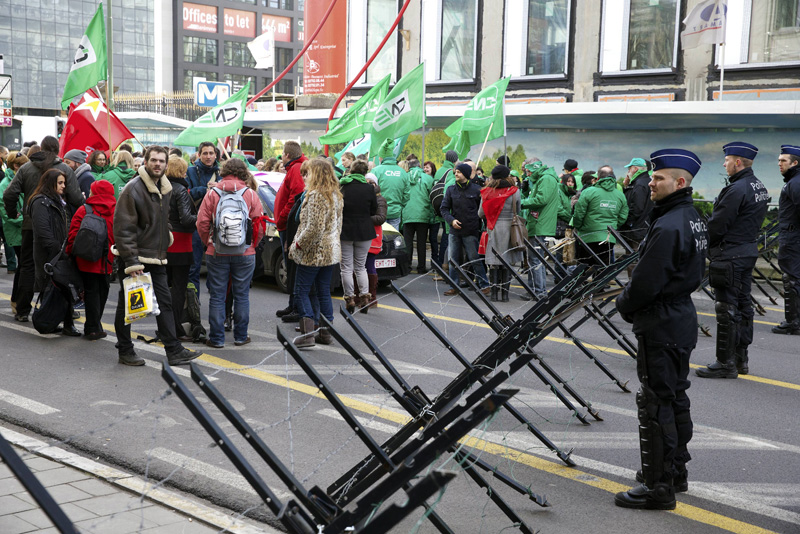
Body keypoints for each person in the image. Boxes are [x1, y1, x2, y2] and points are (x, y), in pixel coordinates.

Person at [614, 149, 707, 510]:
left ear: (680, 182)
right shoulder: (688, 215)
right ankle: (676, 472)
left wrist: (624, 305)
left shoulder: (670, 224)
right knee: (674, 397)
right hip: (678, 316)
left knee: (655, 404)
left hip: (663, 318)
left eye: (659, 178)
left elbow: (645, 282)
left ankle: (658, 486)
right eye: (651, 177)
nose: (651, 183)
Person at [112, 145, 198, 367]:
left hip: (157, 257)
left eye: (161, 161)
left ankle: (173, 349)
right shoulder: (133, 189)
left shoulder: (165, 188)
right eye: (154, 160)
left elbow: (161, 219)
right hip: (136, 258)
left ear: (166, 164)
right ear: (146, 162)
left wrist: (166, 233)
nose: (157, 164)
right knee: (129, 308)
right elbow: (123, 229)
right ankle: (125, 349)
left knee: (165, 303)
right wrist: (132, 262)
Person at [696, 143, 768, 378]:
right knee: (744, 306)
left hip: (730, 255)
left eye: (726, 160)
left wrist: (704, 243)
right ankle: (740, 359)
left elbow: (718, 225)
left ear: (737, 162)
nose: (723, 164)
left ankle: (725, 363)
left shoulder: (736, 189)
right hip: (746, 251)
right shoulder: (758, 185)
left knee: (726, 308)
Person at [3, 136, 84, 322]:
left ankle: (23, 310)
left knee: (27, 267)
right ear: (57, 150)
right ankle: (64, 309)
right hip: (58, 227)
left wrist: (13, 212)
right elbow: (77, 200)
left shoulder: (26, 168)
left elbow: (10, 194)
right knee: (59, 266)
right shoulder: (64, 169)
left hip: (30, 225)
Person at [197, 158, 264, 348]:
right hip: (245, 252)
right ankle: (241, 336)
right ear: (243, 172)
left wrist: (208, 243)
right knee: (242, 295)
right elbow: (259, 225)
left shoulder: (213, 193)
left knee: (217, 296)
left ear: (224, 171)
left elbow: (202, 223)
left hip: (216, 251)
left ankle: (217, 338)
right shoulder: (250, 194)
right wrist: (252, 245)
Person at [289, 159, 344, 348]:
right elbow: (338, 226)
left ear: (317, 174)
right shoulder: (335, 195)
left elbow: (313, 228)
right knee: (322, 292)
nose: (305, 176)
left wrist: (297, 246)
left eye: (309, 172)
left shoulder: (316, 196)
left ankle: (308, 334)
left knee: (301, 290)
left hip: (314, 252)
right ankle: (325, 332)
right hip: (330, 251)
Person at [29, 169, 80, 336]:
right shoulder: (40, 202)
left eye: (64, 183)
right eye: (60, 183)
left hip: (60, 252)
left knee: (63, 287)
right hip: (49, 254)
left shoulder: (58, 200)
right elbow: (43, 231)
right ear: (50, 183)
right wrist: (58, 250)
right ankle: (47, 321)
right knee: (51, 288)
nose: (64, 186)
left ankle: (62, 323)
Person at [66, 180, 116, 340]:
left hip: (86, 258)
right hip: (107, 259)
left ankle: (92, 327)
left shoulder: (84, 209)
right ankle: (94, 325)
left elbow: (73, 234)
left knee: (90, 291)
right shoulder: (117, 211)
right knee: (102, 291)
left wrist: (70, 253)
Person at [441, 163, 490, 296]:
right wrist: (451, 220)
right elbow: (444, 208)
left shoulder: (477, 190)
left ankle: (484, 284)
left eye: (459, 172)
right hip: (454, 231)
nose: (456, 174)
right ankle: (454, 286)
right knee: (453, 260)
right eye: (455, 172)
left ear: (466, 174)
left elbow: (483, 210)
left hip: (471, 231)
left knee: (474, 259)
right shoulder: (450, 190)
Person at [164, 156, 198, 342]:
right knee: (178, 289)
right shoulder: (181, 190)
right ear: (180, 171)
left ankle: (166, 326)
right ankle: (175, 328)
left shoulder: (161, 187)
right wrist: (200, 218)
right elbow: (186, 219)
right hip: (180, 243)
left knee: (165, 287)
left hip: (164, 241)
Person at [273, 141, 308, 319]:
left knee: (293, 268)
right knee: (291, 267)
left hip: (289, 226)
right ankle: (292, 305)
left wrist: (282, 218)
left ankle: (296, 307)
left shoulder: (295, 169)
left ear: (287, 155)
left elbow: (295, 197)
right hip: (287, 224)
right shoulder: (296, 168)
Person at [339, 159, 378, 312]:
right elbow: (373, 210)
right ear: (364, 172)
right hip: (364, 231)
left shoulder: (343, 186)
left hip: (346, 230)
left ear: (351, 170)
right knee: (360, 266)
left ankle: (350, 299)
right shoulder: (369, 188)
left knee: (346, 267)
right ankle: (365, 297)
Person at [478, 165, 522, 301]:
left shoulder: (486, 192)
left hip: (493, 228)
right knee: (506, 262)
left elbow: (480, 213)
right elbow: (518, 210)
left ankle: (494, 294)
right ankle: (505, 295)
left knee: (494, 262)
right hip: (510, 229)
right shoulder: (515, 191)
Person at [520, 158, 560, 299]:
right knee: (535, 260)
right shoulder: (541, 179)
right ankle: (534, 290)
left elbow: (541, 200)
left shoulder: (546, 179)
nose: (527, 174)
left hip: (540, 225)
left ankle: (539, 292)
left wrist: (521, 203)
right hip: (537, 224)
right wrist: (525, 191)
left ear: (535, 168)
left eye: (528, 171)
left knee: (536, 260)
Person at [572, 168, 629, 267]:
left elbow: (578, 213)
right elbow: (623, 216)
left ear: (597, 178)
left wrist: (579, 227)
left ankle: (586, 282)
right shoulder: (620, 195)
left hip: (587, 235)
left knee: (584, 270)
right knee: (602, 269)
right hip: (608, 236)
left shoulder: (588, 191)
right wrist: (613, 226)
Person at [772, 145, 800, 336]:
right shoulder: (794, 181)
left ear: (795, 163)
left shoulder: (795, 183)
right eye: (779, 160)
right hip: (792, 235)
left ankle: (793, 322)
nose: (779, 163)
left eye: (783, 160)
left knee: (791, 279)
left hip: (792, 237)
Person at [185, 142, 220, 297]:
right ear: (199, 155)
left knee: (218, 269)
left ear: (215, 155)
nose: (208, 156)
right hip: (196, 224)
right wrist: (204, 190)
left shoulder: (222, 172)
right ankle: (194, 308)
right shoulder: (190, 171)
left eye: (211, 153)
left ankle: (218, 307)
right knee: (194, 267)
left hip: (217, 225)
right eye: (205, 153)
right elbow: (185, 194)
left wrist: (220, 187)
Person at [402, 158, 434, 274]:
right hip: (423, 213)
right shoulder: (428, 178)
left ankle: (407, 266)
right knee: (421, 243)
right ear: (419, 166)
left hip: (407, 213)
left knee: (407, 243)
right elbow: (432, 197)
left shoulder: (404, 177)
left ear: (409, 166)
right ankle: (421, 267)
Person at [432, 151, 458, 276]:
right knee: (446, 238)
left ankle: (440, 265)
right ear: (454, 160)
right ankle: (444, 265)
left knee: (443, 237)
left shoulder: (439, 170)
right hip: (447, 209)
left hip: (438, 208)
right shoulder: (451, 172)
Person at [1, 152, 27, 278]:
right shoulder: (5, 184)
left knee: (24, 266)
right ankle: (19, 295)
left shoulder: (22, 179)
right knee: (24, 266)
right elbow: (6, 213)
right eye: (24, 164)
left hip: (23, 228)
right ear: (16, 166)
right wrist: (26, 220)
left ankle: (18, 295)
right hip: (17, 231)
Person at [372, 140, 409, 231]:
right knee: (393, 240)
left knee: (379, 241)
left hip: (378, 213)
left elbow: (370, 192)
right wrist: (399, 206)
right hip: (395, 212)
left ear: (381, 157)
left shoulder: (376, 171)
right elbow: (407, 194)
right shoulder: (402, 172)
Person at [365, 173, 387, 309]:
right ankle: (363, 294)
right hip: (364, 233)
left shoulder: (380, 199)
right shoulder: (365, 197)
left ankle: (372, 297)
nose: (369, 185)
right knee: (362, 265)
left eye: (371, 182)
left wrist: (364, 217)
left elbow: (381, 218)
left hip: (374, 235)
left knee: (370, 264)